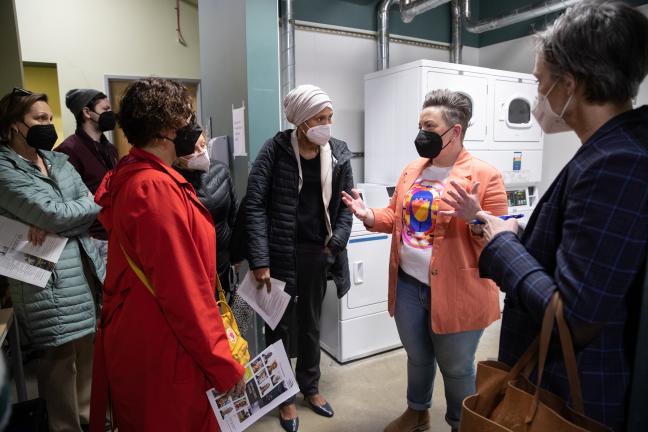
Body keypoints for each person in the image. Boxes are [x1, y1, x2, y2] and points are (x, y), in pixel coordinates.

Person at [443, 1, 648, 430]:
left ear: (570, 84)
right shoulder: (612, 148)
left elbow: (574, 317)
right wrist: (522, 230)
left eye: (540, 83)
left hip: (572, 393)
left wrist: (501, 244)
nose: (539, 96)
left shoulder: (616, 163)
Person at [342, 89, 508, 432]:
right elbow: (394, 217)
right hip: (408, 285)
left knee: (457, 367)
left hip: (459, 290)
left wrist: (475, 216)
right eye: (419, 124)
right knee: (418, 357)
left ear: (455, 131)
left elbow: (499, 240)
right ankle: (417, 413)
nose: (421, 133)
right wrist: (368, 215)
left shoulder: (485, 176)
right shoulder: (413, 170)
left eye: (429, 126)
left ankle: (462, 424)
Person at [89, 77, 244, 432]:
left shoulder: (135, 175)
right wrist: (223, 363)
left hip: (144, 336)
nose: (193, 127)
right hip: (165, 346)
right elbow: (184, 294)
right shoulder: (154, 188)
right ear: (165, 131)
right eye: (186, 119)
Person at [245, 84, 354, 432]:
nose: (327, 124)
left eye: (329, 117)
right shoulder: (275, 150)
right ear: (302, 121)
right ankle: (284, 397)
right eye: (320, 118)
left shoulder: (337, 152)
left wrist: (334, 243)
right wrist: (260, 260)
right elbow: (255, 205)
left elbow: (348, 205)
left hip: (317, 252)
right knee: (278, 327)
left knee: (311, 325)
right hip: (279, 255)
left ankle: (310, 387)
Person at [0, 88, 105, 432]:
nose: (47, 124)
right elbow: (53, 213)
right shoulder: (4, 167)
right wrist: (64, 217)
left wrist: (62, 219)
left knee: (87, 371)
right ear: (15, 125)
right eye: (39, 119)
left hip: (85, 276)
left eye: (49, 117)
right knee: (60, 373)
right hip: (46, 283)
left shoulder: (57, 160)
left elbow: (92, 205)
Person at [56, 89, 118, 264]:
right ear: (86, 112)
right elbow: (66, 199)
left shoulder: (110, 149)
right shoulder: (68, 150)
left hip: (116, 233)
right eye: (105, 109)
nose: (110, 114)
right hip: (94, 238)